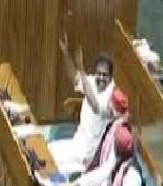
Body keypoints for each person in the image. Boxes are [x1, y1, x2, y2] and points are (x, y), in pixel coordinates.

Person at [49, 36, 116, 176]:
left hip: (87, 157)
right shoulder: (91, 81)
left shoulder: (112, 95)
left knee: (50, 164)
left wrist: (81, 68)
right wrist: (66, 53)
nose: (101, 78)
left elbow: (96, 106)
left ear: (110, 77)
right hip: (76, 144)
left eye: (105, 75)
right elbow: (74, 78)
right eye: (99, 74)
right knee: (46, 151)